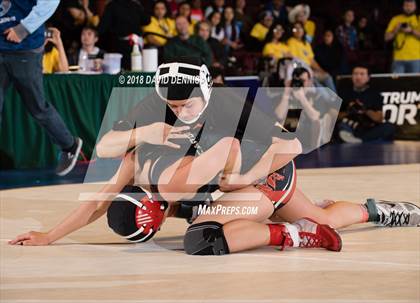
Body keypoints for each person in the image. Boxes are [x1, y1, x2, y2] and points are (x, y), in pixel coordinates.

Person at [9, 59, 420, 252]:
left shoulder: (227, 106)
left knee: (204, 236)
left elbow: (291, 145)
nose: (179, 112)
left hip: (265, 172)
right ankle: (379, 210)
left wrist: (245, 178)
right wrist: (50, 235)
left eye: (188, 106)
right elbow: (100, 195)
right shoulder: (154, 124)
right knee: (322, 215)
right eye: (172, 108)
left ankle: (297, 233)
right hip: (239, 184)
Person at [0, 0, 82, 176]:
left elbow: (50, 2)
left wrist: (23, 29)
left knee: (36, 106)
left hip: (25, 48)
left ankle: (69, 145)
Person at [339, 65, 396, 143]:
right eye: (355, 74)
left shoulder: (374, 94)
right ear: (351, 76)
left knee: (389, 127)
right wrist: (349, 111)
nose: (358, 77)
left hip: (366, 128)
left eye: (362, 74)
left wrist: (365, 110)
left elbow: (379, 118)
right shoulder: (344, 93)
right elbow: (334, 116)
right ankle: (350, 137)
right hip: (349, 126)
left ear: (368, 78)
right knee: (339, 124)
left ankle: (359, 140)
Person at [98, 0, 150, 70]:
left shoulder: (112, 5)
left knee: (121, 71)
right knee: (136, 69)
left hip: (119, 45)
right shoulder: (136, 5)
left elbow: (102, 27)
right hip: (136, 44)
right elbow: (147, 20)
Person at [287, 22, 336, 92]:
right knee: (319, 86)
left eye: (300, 28)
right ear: (292, 31)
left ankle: (336, 100)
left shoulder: (306, 44)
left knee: (327, 76)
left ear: (303, 30)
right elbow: (293, 59)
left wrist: (322, 71)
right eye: (295, 28)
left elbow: (312, 61)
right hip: (302, 72)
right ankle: (331, 101)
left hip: (311, 71)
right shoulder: (290, 42)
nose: (298, 30)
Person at [385, 0, 420, 73]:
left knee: (415, 83)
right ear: (403, 7)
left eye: (411, 6)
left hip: (416, 58)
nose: (408, 8)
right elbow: (386, 38)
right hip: (398, 58)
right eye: (406, 6)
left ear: (415, 7)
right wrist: (396, 30)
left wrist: (411, 31)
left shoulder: (418, 18)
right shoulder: (396, 19)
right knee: (397, 83)